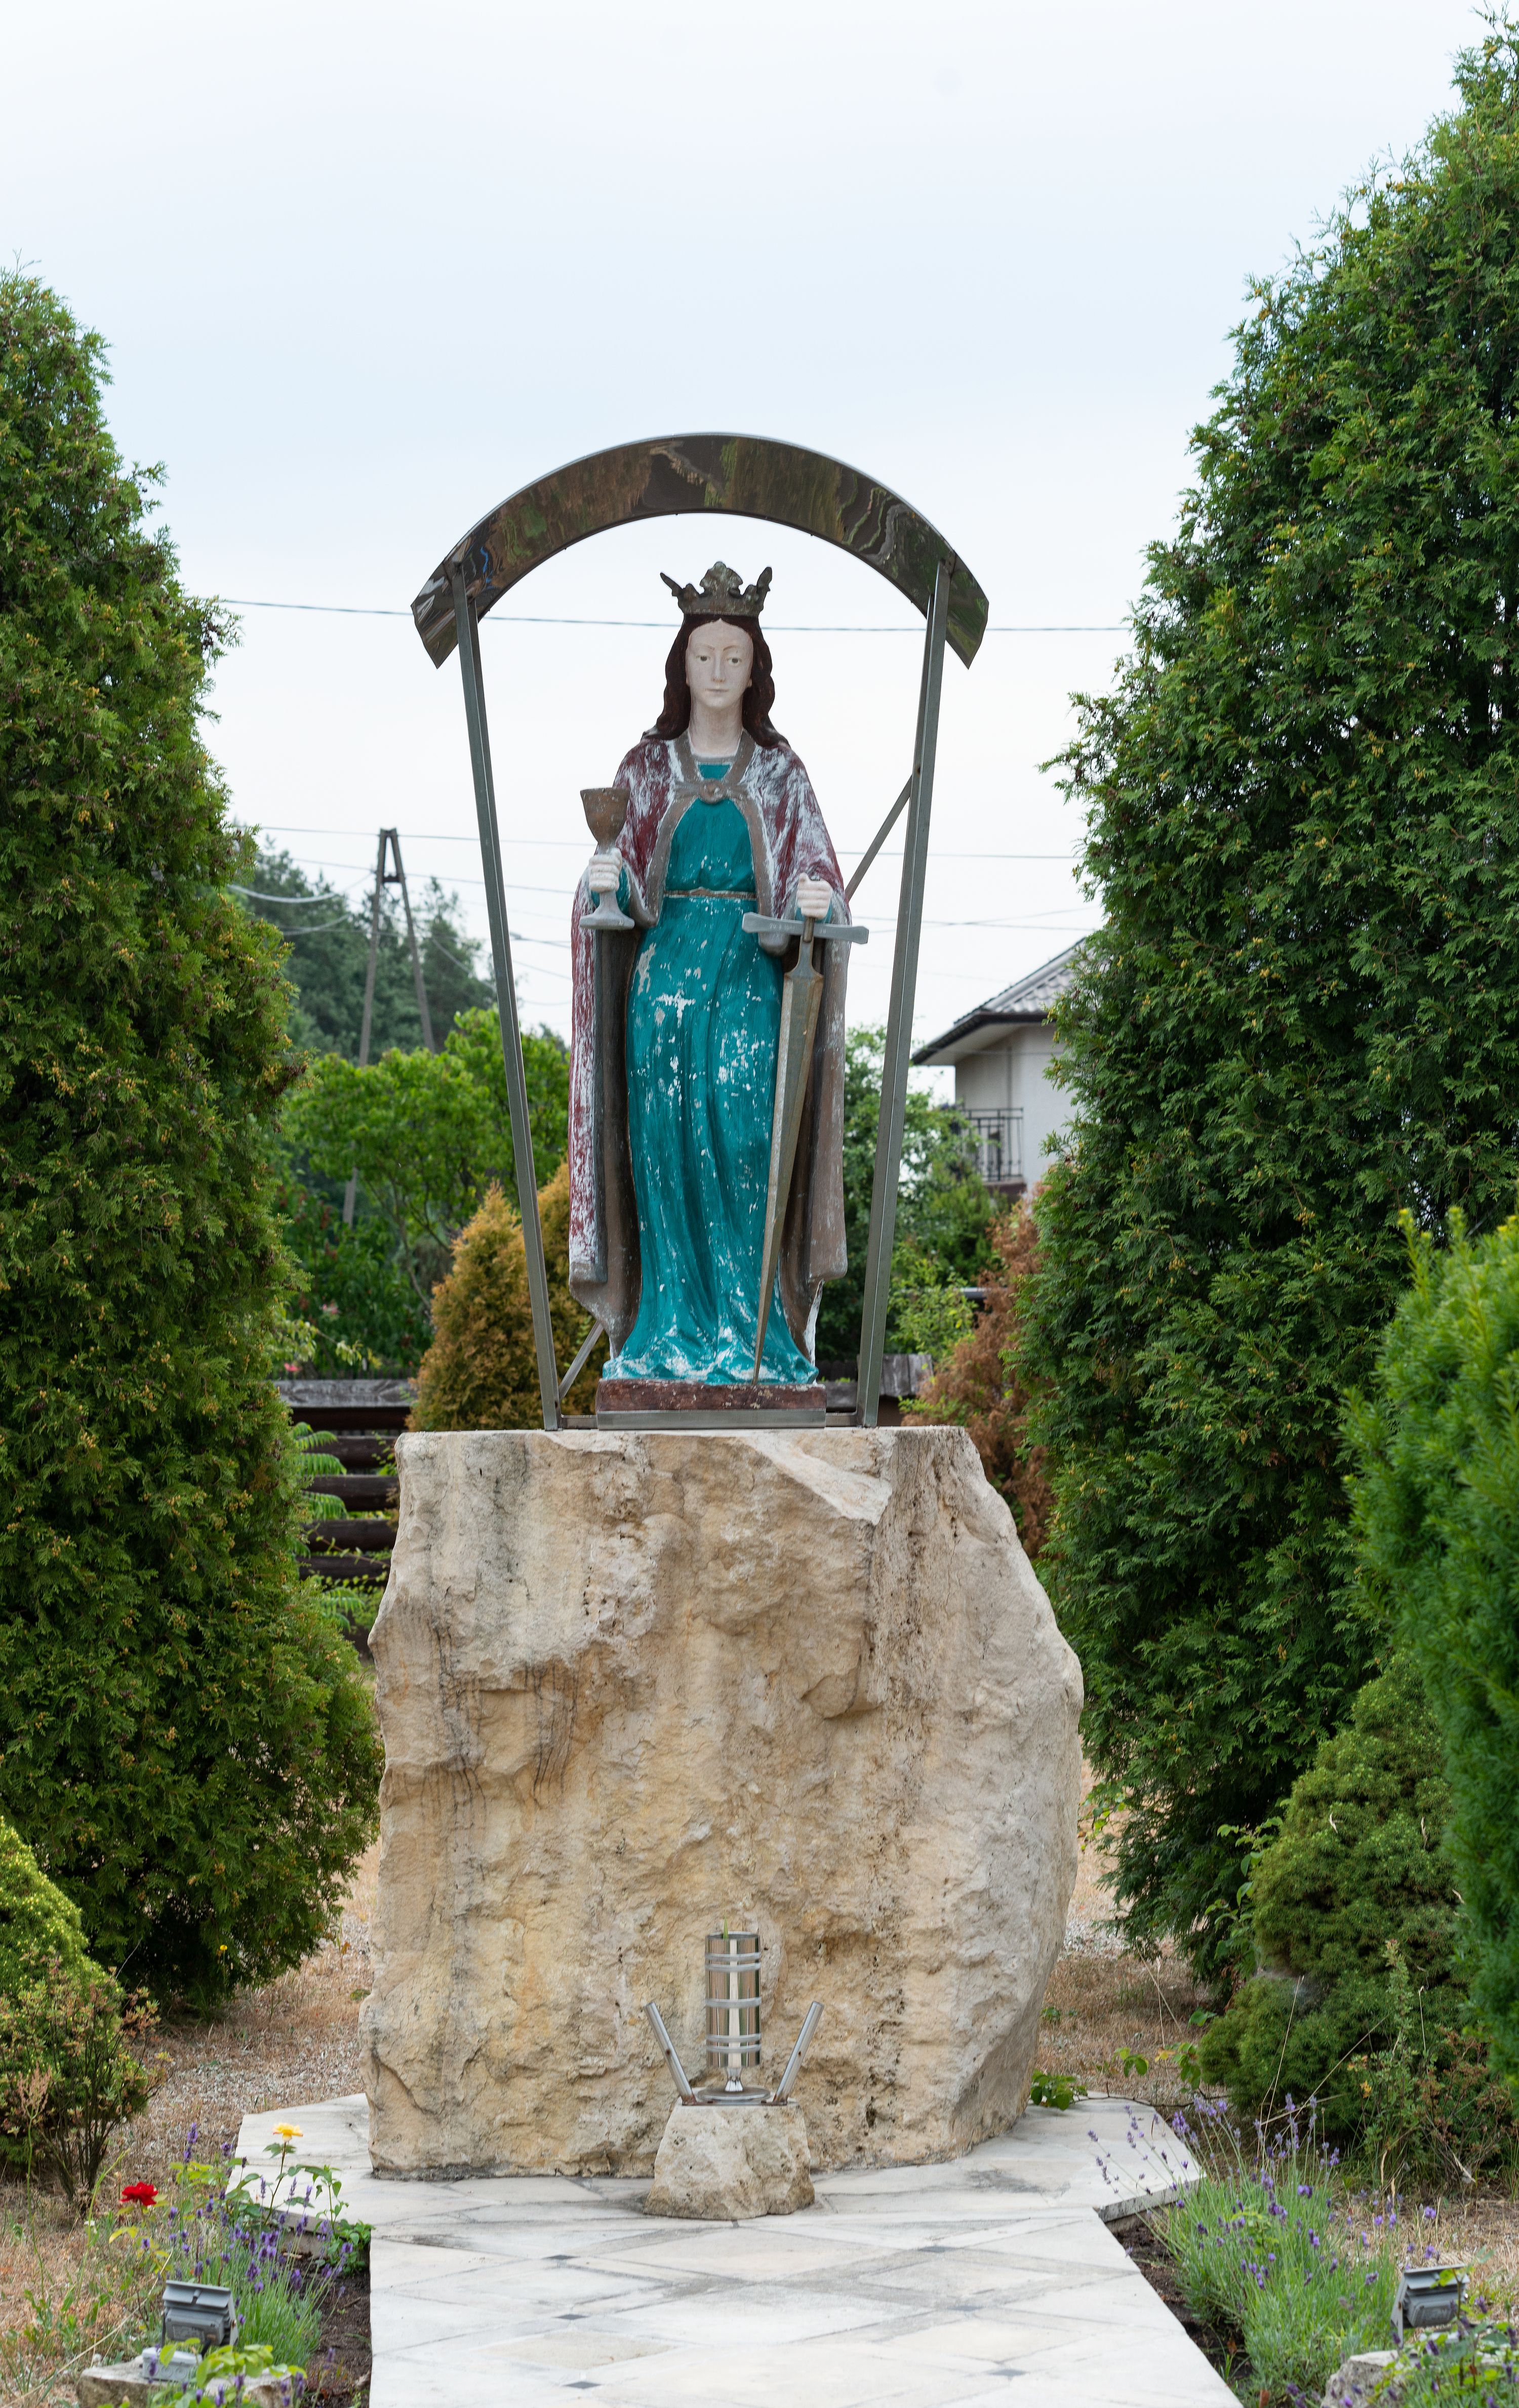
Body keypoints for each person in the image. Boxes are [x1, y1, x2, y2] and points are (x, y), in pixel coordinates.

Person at [568, 560, 852, 1386]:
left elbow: (819, 875)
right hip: (660, 989)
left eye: (735, 656)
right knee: (663, 1152)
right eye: (704, 656)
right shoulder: (646, 769)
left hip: (751, 982)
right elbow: (618, 878)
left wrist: (813, 895)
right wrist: (606, 880)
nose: (719, 671)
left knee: (746, 1138)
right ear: (682, 666)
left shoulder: (781, 774)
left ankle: (751, 1333)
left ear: (756, 668)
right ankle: (667, 1333)